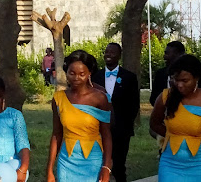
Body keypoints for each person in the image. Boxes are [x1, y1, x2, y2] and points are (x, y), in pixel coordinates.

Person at [150, 55, 201, 181]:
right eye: (176, 80)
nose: (180, 85)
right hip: (170, 165)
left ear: (196, 78)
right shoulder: (165, 97)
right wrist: (174, 136)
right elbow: (154, 124)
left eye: (185, 81)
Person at [47, 50, 112, 182]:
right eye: (72, 73)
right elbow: (56, 134)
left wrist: (106, 167)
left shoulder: (100, 98)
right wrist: (49, 170)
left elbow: (106, 135)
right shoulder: (59, 99)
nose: (76, 78)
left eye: (82, 74)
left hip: (93, 161)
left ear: (89, 73)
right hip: (66, 161)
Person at [91, 43, 139, 182]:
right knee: (100, 163)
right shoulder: (96, 76)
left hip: (121, 129)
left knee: (119, 165)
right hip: (99, 127)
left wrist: (125, 124)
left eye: (112, 52)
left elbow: (134, 104)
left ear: (119, 55)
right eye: (106, 52)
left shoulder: (129, 77)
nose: (108, 55)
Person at [0, 76, 30, 182]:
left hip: (10, 166)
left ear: (3, 95)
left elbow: (23, 144)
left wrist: (23, 168)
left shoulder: (14, 116)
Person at [149, 41, 186, 106]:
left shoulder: (192, 74)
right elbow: (153, 99)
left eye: (167, 53)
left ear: (178, 54)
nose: (164, 57)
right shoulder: (160, 74)